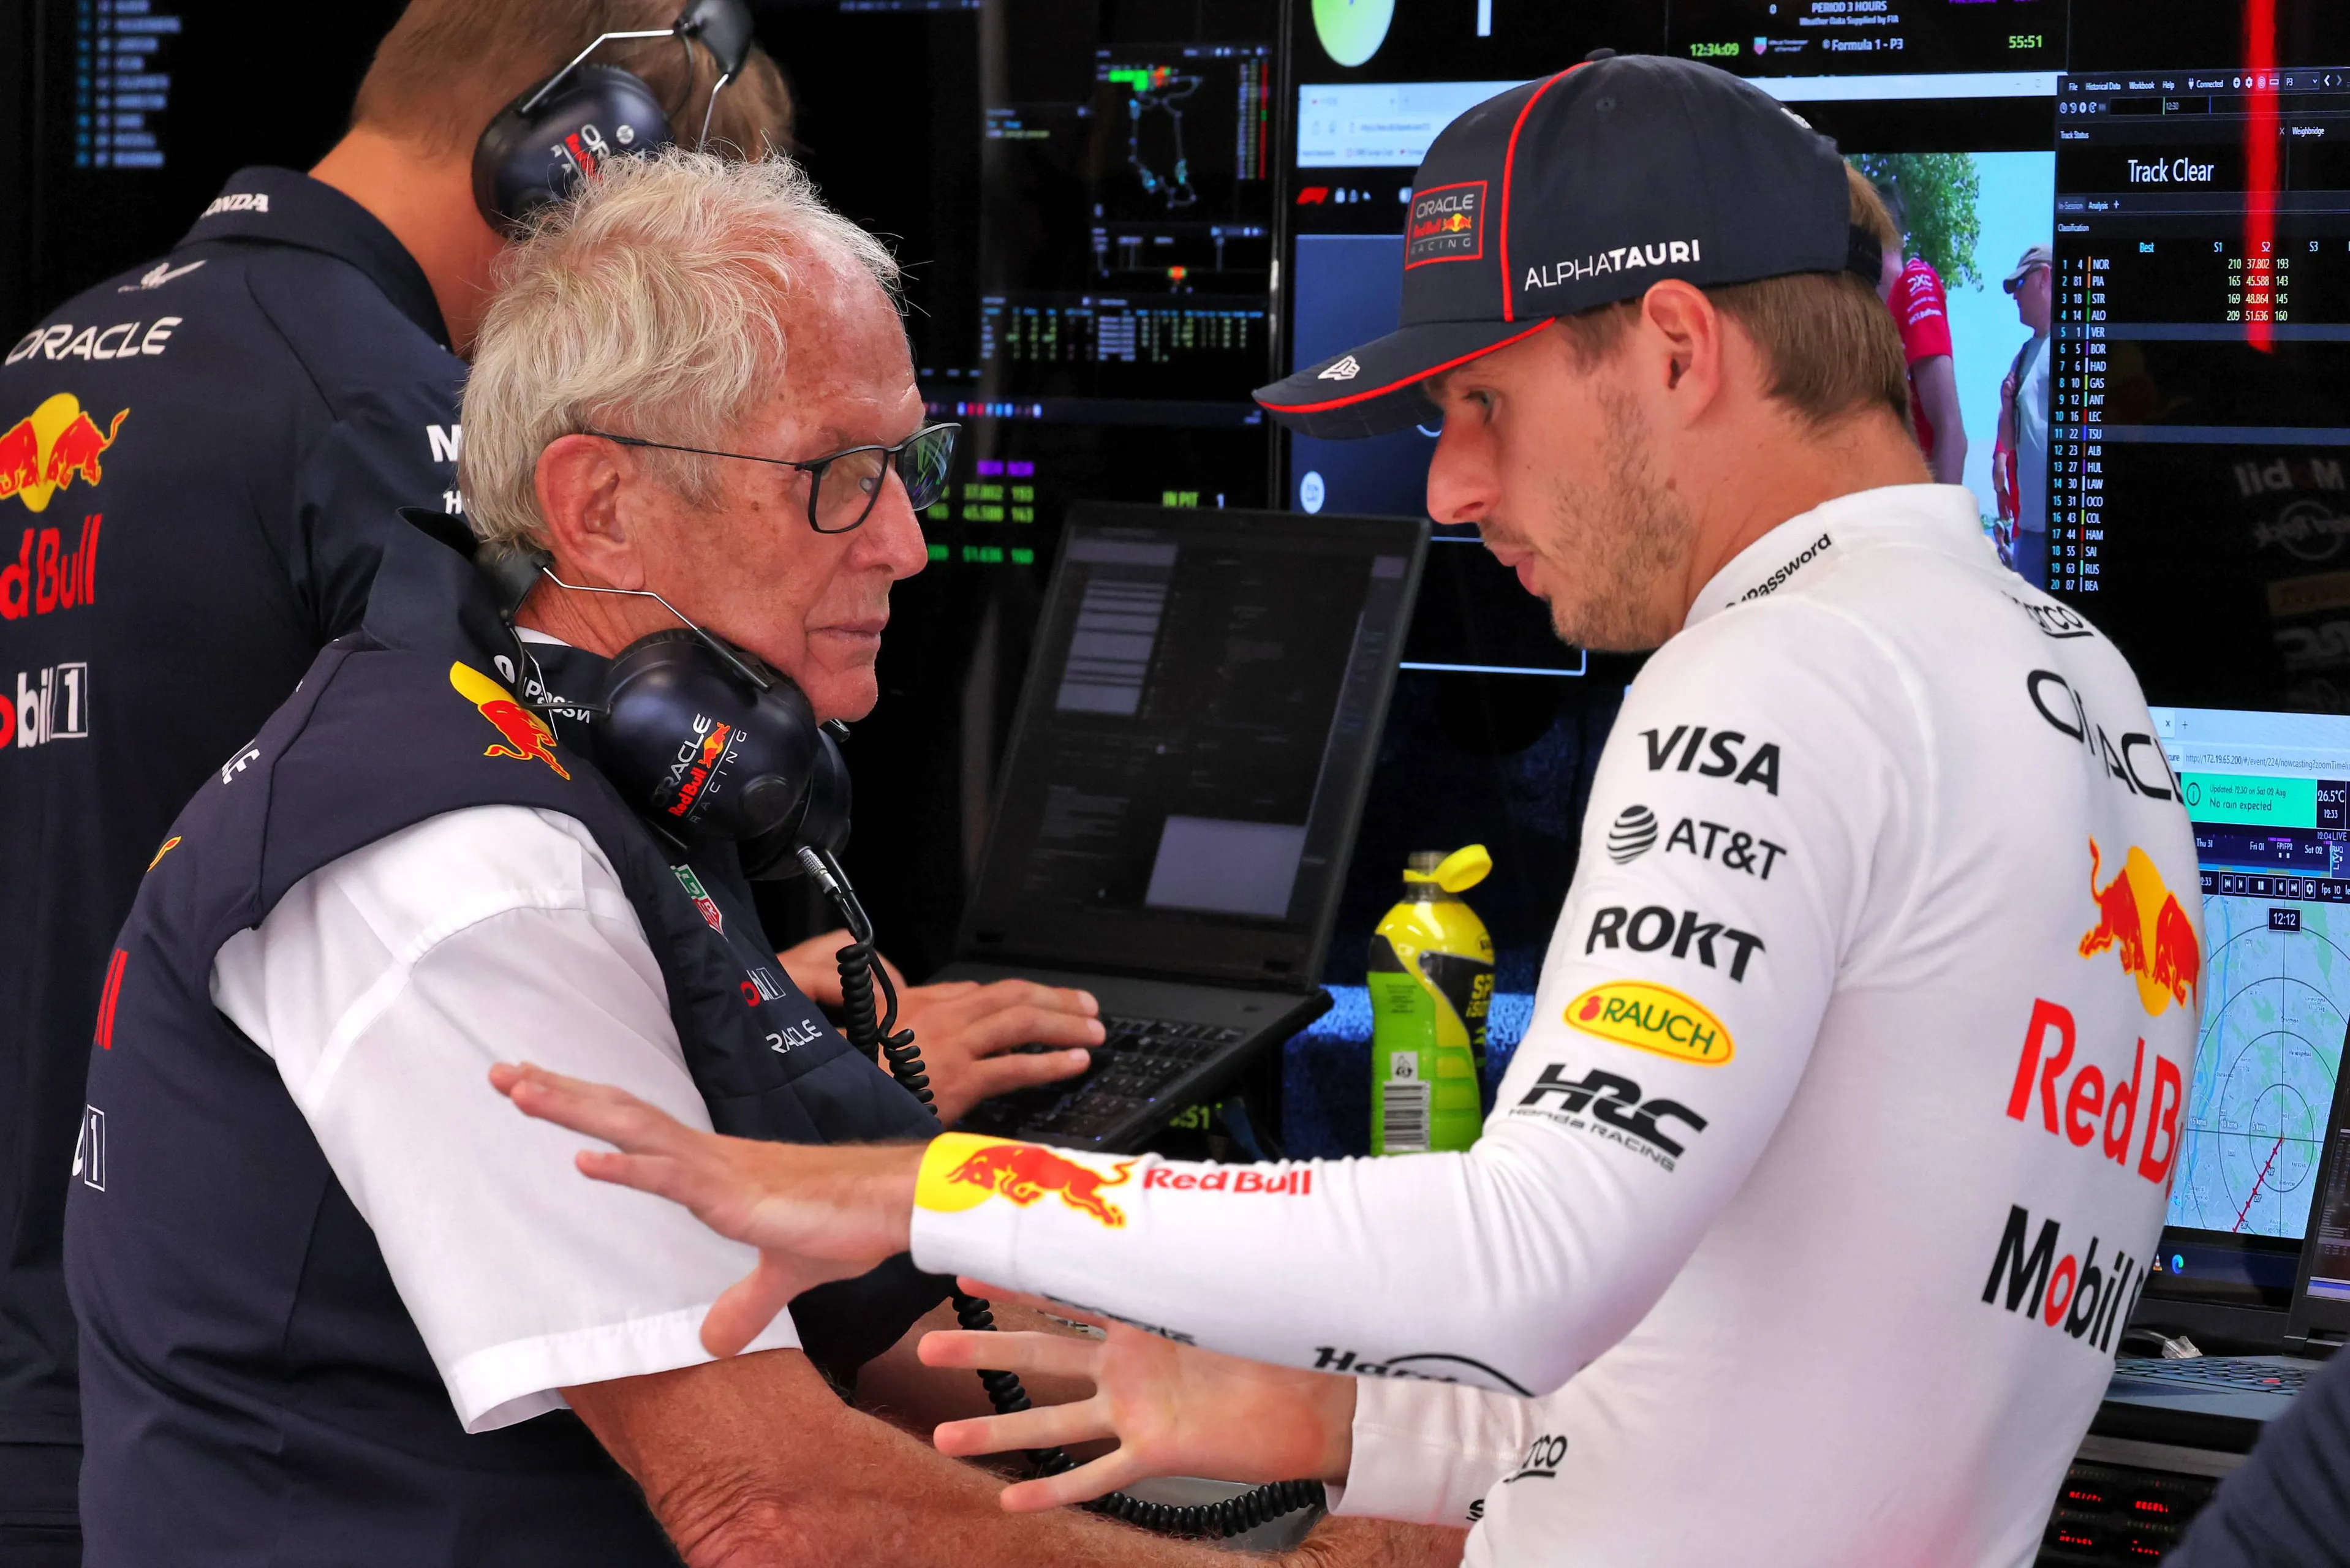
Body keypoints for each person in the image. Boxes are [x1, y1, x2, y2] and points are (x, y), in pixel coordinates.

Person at [498, 56, 2203, 1567]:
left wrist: (922, 1189)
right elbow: (1761, 1386)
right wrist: (1319, 1426)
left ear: (1675, 348)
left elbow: (1525, 1252)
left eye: (1481, 407)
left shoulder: (1780, 675)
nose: (1451, 491)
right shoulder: (2084, 695)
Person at [62, 147, 1456, 1568]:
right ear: (599, 506)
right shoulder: (468, 868)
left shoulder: (603, 762)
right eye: (840, 476)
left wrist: (1379, 1443)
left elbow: (921, 1342)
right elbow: (767, 1508)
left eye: (906, 464)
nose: (907, 544)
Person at [0, 4, 799, 1559]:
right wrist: (788, 1041)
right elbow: (512, 866)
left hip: (75, 1358)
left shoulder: (45, 355)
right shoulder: (388, 411)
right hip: (265, 1393)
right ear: (580, 153)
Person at [1875, 180, 1970, 486]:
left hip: (1917, 511)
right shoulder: (1875, 317)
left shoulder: (1915, 284)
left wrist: (1940, 529)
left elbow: (1950, 429)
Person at [1993, 245, 2054, 587]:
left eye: (2021, 285)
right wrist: (2006, 405)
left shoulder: (2083, 342)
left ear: (2045, 277)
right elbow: (2008, 441)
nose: (2014, 297)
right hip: (2030, 533)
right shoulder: (2023, 356)